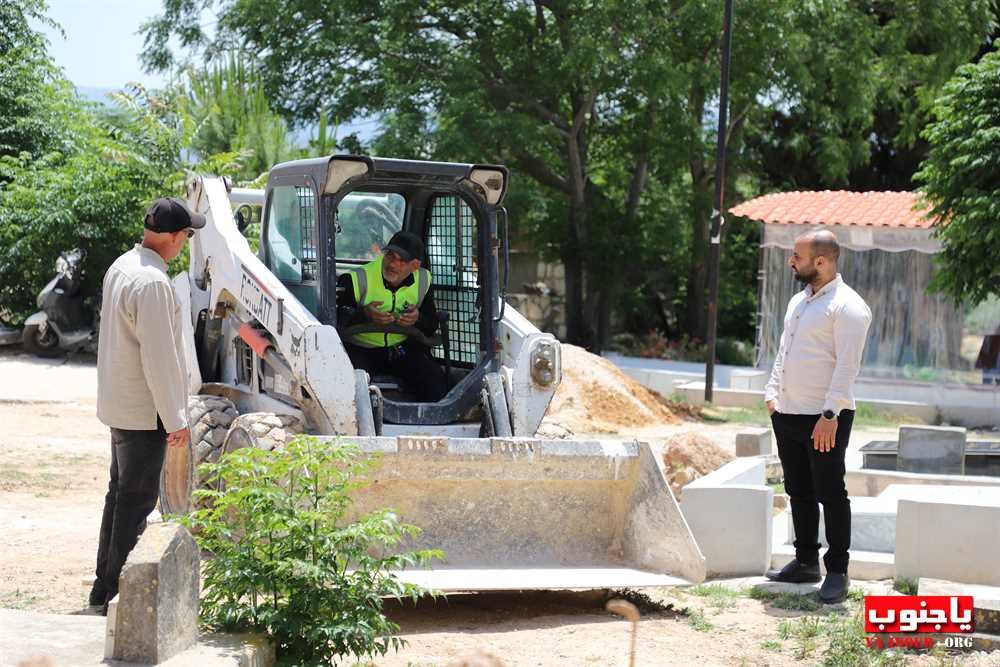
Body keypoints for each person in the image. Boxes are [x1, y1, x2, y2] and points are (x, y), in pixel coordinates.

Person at [89, 197, 204, 614]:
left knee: (119, 497)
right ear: (174, 237)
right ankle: (117, 598)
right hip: (145, 410)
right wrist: (176, 418)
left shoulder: (122, 265)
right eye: (186, 237)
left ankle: (104, 590)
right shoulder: (154, 283)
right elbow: (159, 358)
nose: (185, 244)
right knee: (135, 504)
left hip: (122, 404)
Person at [763, 230, 872, 604]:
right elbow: (784, 352)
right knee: (798, 490)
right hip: (788, 413)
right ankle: (806, 560)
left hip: (824, 418)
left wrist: (829, 414)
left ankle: (837, 572)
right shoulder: (799, 301)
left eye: (797, 256)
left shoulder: (849, 307)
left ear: (821, 262)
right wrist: (772, 394)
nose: (792, 261)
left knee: (831, 493)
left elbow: (847, 367)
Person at [337, 230, 448, 402]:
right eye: (390, 255)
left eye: (402, 260)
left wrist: (417, 319)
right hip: (362, 349)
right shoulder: (355, 279)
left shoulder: (424, 280)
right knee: (347, 390)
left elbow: (431, 324)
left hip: (402, 349)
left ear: (415, 266)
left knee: (436, 384)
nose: (393, 264)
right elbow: (336, 321)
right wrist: (365, 315)